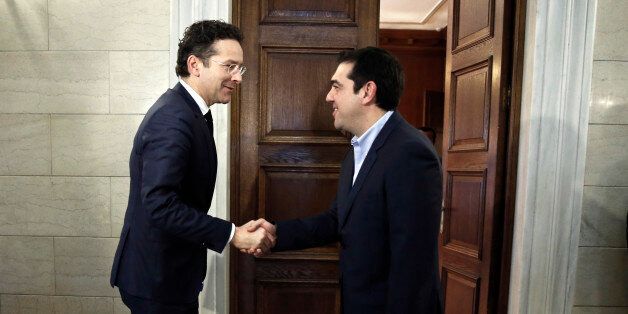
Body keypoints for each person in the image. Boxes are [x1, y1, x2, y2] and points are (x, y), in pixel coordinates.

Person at [248, 47, 444, 313]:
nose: (329, 97)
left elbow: (414, 263)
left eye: (337, 87)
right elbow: (338, 219)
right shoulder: (356, 149)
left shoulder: (410, 151)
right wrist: (276, 233)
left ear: (367, 91)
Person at [110, 20, 275, 313]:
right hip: (156, 280)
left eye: (241, 68)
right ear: (195, 64)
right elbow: (159, 204)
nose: (238, 77)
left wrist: (234, 231)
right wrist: (232, 234)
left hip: (169, 276)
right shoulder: (173, 118)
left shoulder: (190, 111)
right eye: (229, 66)